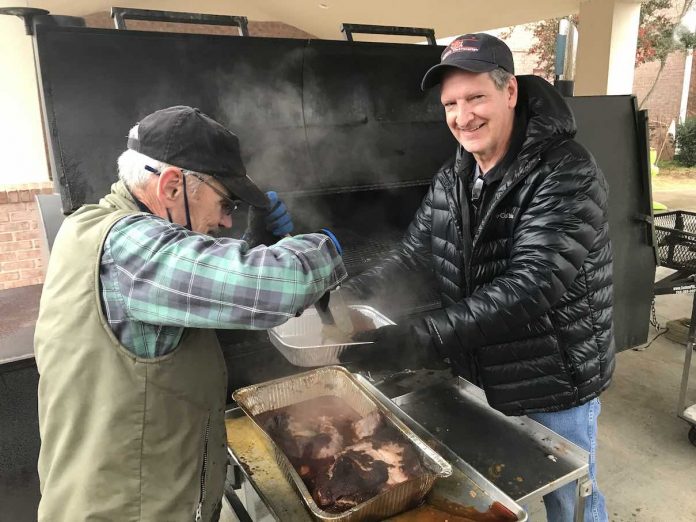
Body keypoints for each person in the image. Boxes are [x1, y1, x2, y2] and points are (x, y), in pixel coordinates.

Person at [344, 34, 614, 522]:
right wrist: (349, 295)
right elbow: (414, 258)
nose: (462, 116)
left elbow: (531, 287)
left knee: (570, 497)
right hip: (482, 369)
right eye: (451, 103)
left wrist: (416, 338)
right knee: (492, 484)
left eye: (476, 98)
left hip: (553, 377)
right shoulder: (456, 176)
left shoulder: (566, 171)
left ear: (510, 91)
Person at [34, 105, 346, 522]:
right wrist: (324, 247)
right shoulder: (129, 247)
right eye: (225, 202)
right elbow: (279, 287)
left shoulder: (90, 225)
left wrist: (256, 243)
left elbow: (192, 295)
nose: (224, 220)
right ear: (171, 187)